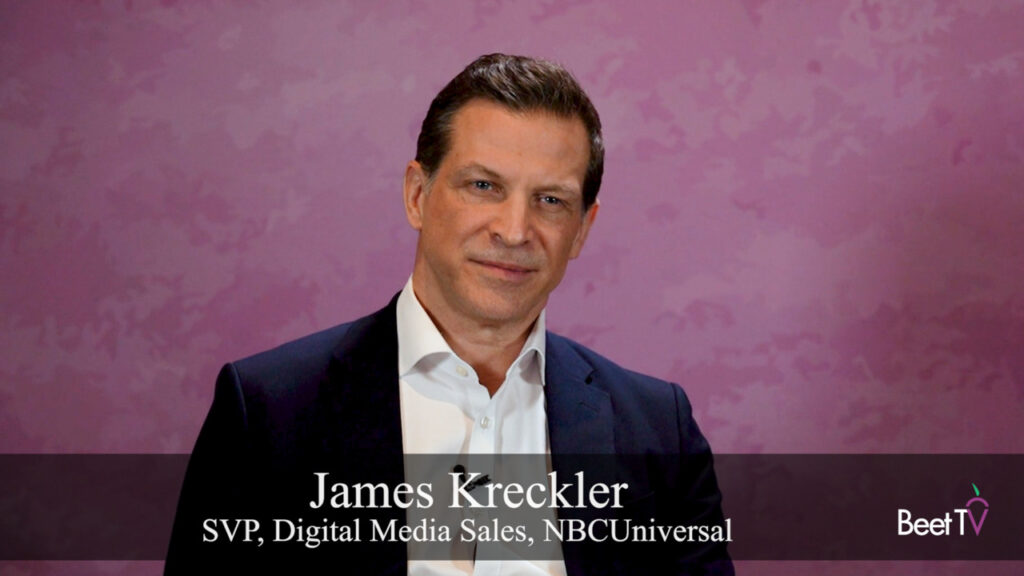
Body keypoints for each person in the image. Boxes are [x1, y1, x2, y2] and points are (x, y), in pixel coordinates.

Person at [166, 53, 733, 575]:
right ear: (418, 194)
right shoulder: (267, 412)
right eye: (483, 185)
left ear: (583, 229)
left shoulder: (659, 429)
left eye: (551, 200)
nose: (514, 230)